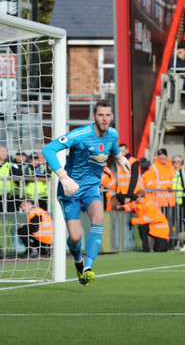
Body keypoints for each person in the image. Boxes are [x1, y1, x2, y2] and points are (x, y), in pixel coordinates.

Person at [42, 99, 130, 286]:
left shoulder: (112, 134)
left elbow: (112, 145)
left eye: (107, 115)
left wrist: (120, 157)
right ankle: (77, 260)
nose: (104, 119)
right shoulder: (80, 135)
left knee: (98, 218)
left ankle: (88, 268)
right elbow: (48, 149)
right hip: (70, 188)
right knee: (76, 237)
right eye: (100, 115)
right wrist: (64, 177)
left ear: (112, 116)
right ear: (94, 116)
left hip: (92, 187)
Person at [0, 145, 22, 213]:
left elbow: (20, 177)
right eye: (2, 151)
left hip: (7, 196)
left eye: (6, 152)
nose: (4, 153)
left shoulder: (11, 165)